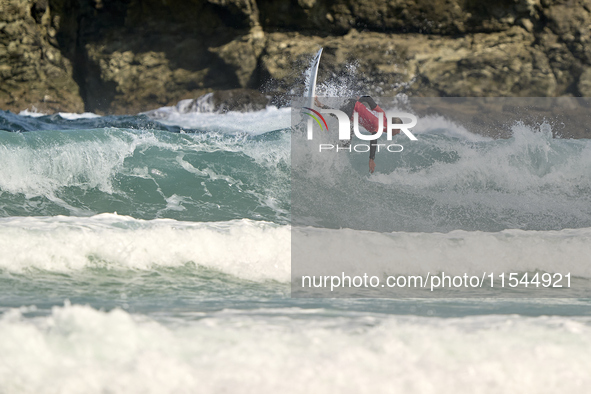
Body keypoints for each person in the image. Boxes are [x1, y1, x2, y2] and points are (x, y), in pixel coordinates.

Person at [315, 96, 400, 173]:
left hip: (352, 110)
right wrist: (371, 159)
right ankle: (320, 105)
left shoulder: (383, 114)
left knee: (345, 144)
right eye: (398, 129)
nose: (399, 132)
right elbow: (374, 139)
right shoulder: (381, 126)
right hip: (350, 106)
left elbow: (368, 99)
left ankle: (326, 149)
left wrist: (360, 101)